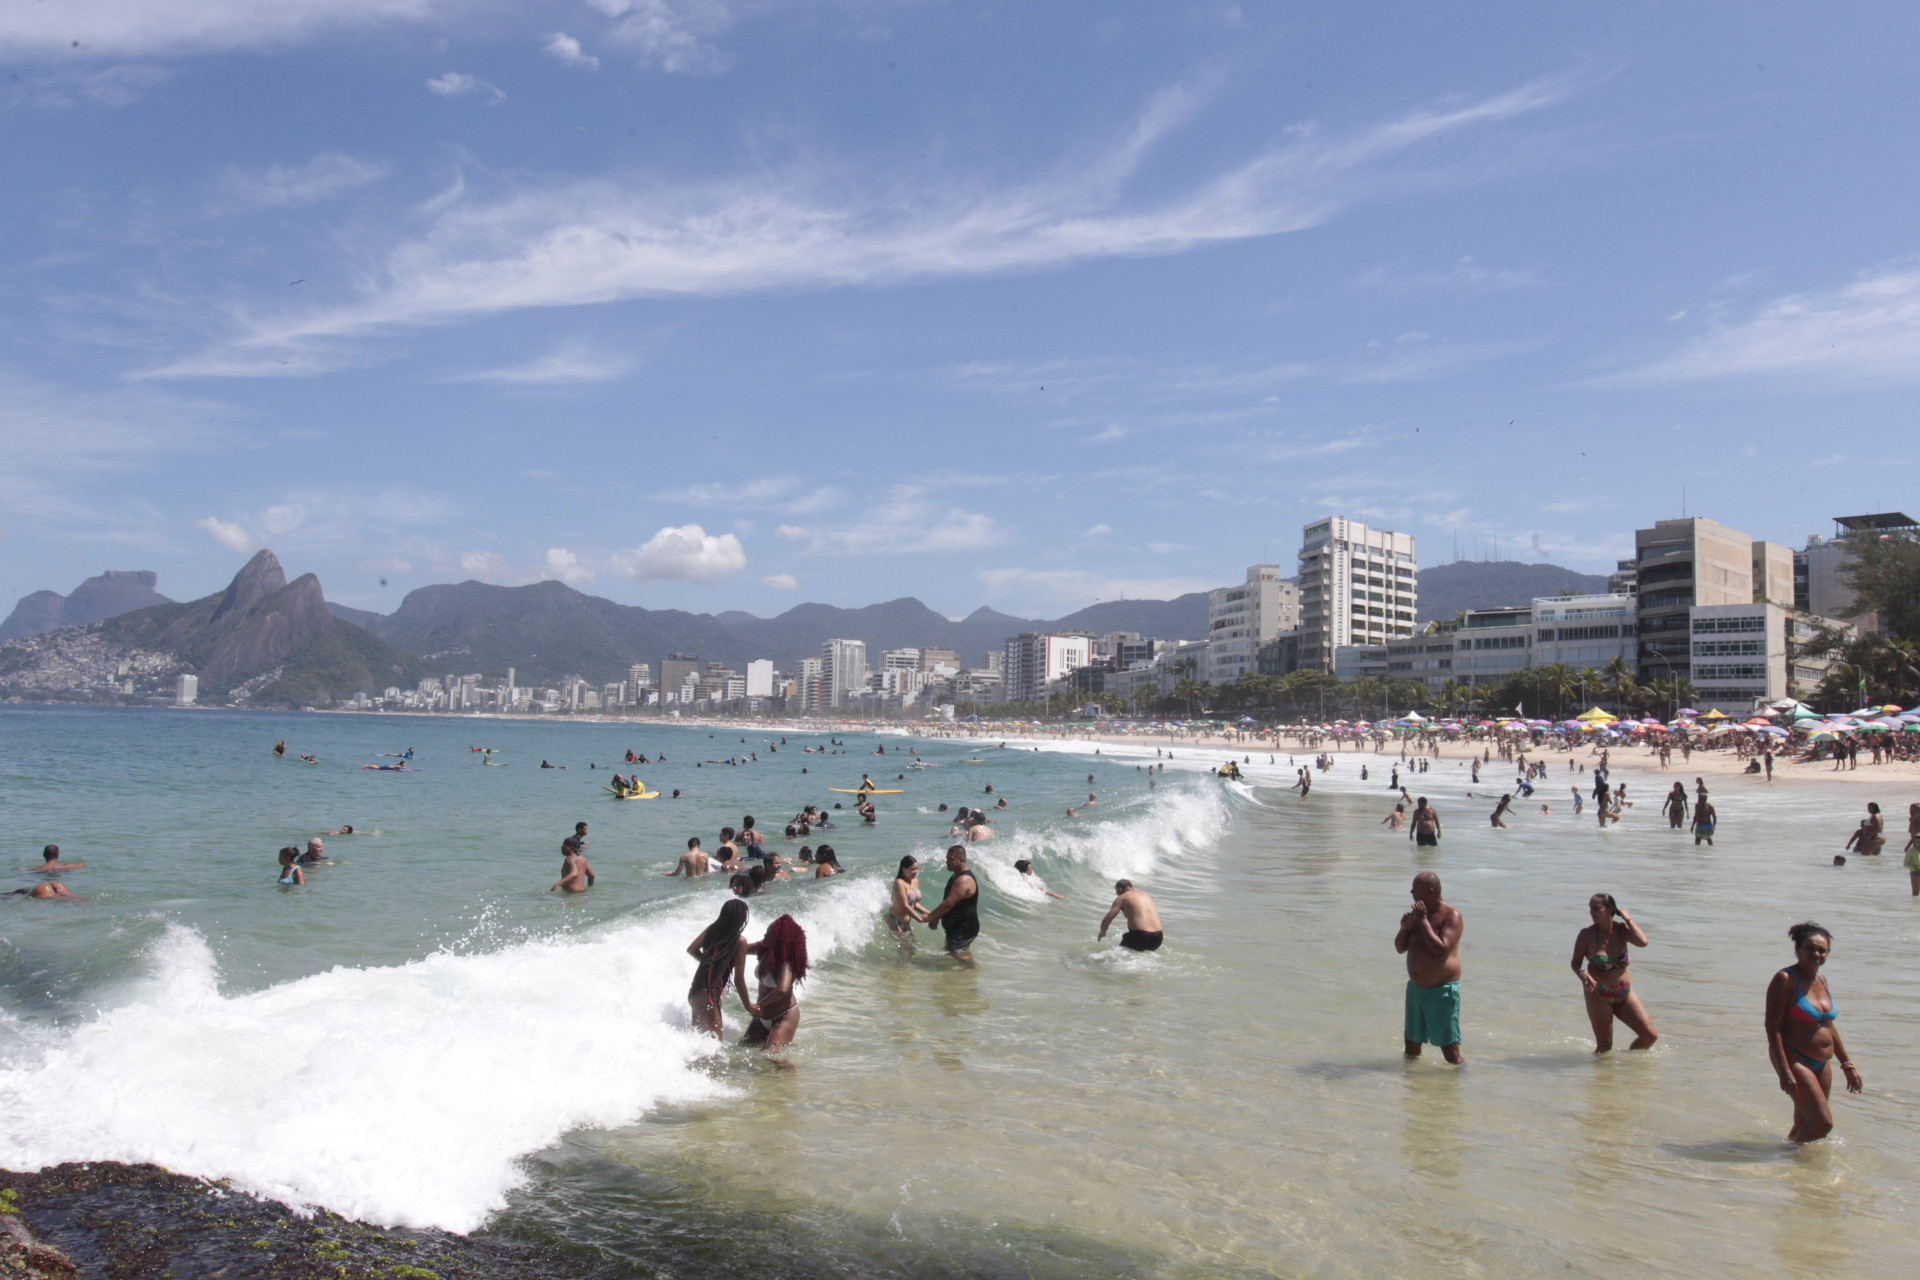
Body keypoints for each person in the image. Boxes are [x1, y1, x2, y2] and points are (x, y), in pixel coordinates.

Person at [1765, 922, 1862, 1142]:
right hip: (1794, 1058)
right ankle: (1784, 1159)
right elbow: (1772, 1026)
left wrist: (1847, 1064)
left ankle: (1791, 1166)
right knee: (1822, 1124)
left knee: (1804, 1123)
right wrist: (1783, 1070)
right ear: (1797, 949)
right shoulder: (1785, 979)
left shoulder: (1822, 980)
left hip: (1821, 1063)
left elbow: (1828, 1026)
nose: (1817, 953)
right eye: (1810, 948)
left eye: (1822, 950)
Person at [1570, 894, 1656, 1052]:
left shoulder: (1622, 931)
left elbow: (1643, 942)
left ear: (1610, 909)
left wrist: (1627, 919)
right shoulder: (1586, 935)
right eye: (1590, 909)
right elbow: (1575, 962)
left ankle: (1627, 1065)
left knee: (1649, 1036)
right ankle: (1603, 1075)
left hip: (1624, 993)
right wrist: (1581, 973)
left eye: (1597, 908)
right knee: (1605, 1046)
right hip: (1598, 994)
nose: (1592, 912)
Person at [1395, 872, 1464, 1064]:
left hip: (1441, 991)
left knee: (1450, 1050)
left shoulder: (1452, 916)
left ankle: (1458, 1086)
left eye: (1415, 889)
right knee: (1411, 1047)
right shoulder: (1417, 915)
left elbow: (1440, 951)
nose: (1411, 892)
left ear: (1430, 892)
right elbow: (1400, 948)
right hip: (1416, 990)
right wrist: (1404, 928)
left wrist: (1423, 920)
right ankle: (1413, 1088)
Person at [736, 914, 809, 1062]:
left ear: (779, 939)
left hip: (783, 1017)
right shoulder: (763, 949)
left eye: (769, 934)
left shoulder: (785, 963)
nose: (764, 936)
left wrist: (758, 1005)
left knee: (771, 1057)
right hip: (762, 1017)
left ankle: (790, 1082)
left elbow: (782, 989)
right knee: (742, 1051)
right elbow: (741, 948)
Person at [687, 899, 749, 1039]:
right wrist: (748, 1006)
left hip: (695, 993)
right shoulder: (739, 941)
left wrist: (708, 962)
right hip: (708, 995)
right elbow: (739, 980)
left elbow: (692, 949)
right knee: (714, 1047)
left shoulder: (711, 931)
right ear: (741, 919)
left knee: (699, 1042)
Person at [923, 844, 980, 963]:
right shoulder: (956, 875)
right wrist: (937, 917)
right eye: (947, 858)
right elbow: (948, 900)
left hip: (963, 928)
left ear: (962, 860)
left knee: (959, 955)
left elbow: (949, 903)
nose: (947, 862)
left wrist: (931, 916)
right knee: (954, 953)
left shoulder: (964, 879)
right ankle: (965, 975)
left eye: (951, 859)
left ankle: (971, 972)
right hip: (957, 928)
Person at [1099, 880, 1163, 951]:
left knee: (1114, 958)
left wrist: (1102, 932)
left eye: (1117, 893)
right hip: (1157, 938)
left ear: (1120, 890)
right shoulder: (1145, 894)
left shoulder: (1122, 897)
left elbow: (1106, 921)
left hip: (1139, 936)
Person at [888, 856, 930, 942]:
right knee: (905, 950)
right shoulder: (899, 882)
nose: (915, 872)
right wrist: (920, 919)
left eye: (916, 869)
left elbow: (914, 904)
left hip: (906, 924)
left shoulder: (915, 881)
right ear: (903, 869)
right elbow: (905, 906)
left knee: (912, 950)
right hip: (895, 922)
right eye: (912, 869)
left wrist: (931, 914)